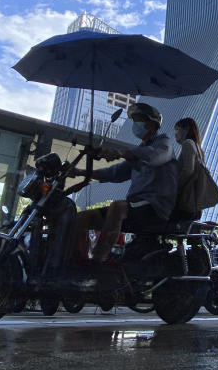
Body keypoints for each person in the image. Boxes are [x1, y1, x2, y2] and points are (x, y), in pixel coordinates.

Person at [66, 103, 178, 263]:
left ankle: (98, 261)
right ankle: (73, 263)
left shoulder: (163, 143)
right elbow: (115, 173)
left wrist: (119, 152)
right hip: (135, 209)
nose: (135, 125)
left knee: (118, 207)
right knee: (83, 217)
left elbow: (154, 157)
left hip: (155, 208)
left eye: (137, 120)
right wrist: (81, 173)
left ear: (151, 123)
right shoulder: (140, 150)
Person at [169, 117, 204, 222]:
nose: (175, 133)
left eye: (177, 129)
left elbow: (188, 171)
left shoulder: (188, 143)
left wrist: (174, 188)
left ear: (186, 129)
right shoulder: (197, 147)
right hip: (195, 202)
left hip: (185, 202)